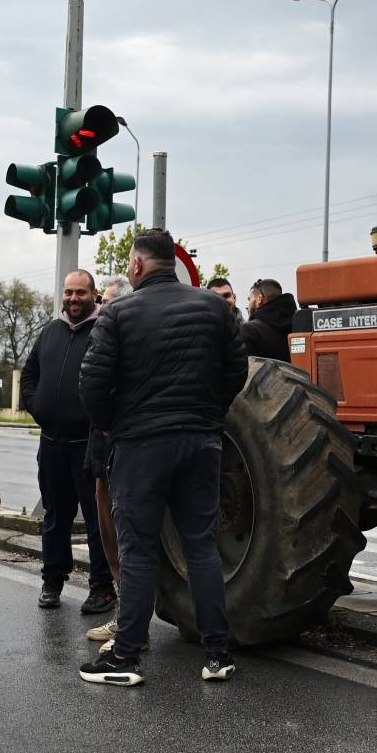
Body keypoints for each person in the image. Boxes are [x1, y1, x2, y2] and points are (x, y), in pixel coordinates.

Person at [78, 230, 246, 686]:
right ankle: (217, 656)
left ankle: (125, 658)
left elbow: (92, 382)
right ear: (172, 262)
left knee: (137, 550)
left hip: (141, 444)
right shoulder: (215, 308)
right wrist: (209, 412)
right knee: (201, 548)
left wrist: (112, 424)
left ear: (136, 265)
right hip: (201, 440)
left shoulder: (119, 313)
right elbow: (237, 370)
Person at [21, 269, 116, 616]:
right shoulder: (49, 332)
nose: (73, 299)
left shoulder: (104, 331)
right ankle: (52, 581)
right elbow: (29, 375)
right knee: (55, 516)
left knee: (97, 519)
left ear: (94, 295)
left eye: (80, 293)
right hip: (51, 443)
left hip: (89, 445)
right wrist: (37, 407)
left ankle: (102, 587)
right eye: (68, 292)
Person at [82, 276, 128, 646]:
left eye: (107, 301)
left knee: (124, 532)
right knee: (107, 527)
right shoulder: (104, 332)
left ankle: (129, 623)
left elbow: (93, 384)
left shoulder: (124, 335)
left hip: (120, 445)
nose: (101, 306)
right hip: (104, 446)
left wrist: (109, 427)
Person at [239, 278, 297, 363]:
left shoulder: (249, 330)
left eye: (249, 299)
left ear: (259, 299)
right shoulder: (298, 324)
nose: (247, 305)